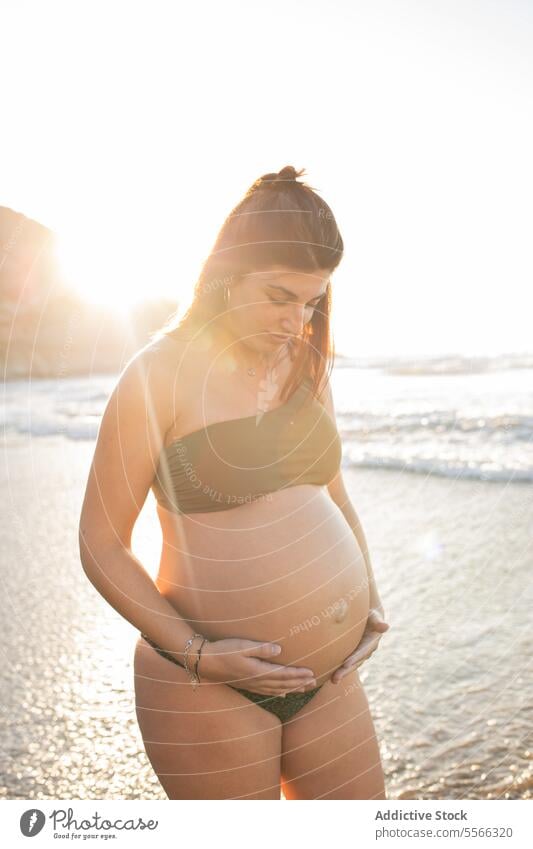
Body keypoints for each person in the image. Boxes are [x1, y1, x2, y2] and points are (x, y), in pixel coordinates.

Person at [78, 165, 390, 800]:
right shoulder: (157, 376)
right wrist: (196, 653)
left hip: (328, 679)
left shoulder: (305, 364)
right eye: (279, 297)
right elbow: (100, 545)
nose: (298, 320)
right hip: (207, 684)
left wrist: (368, 600)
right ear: (224, 277)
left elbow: (334, 495)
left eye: (312, 300)